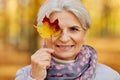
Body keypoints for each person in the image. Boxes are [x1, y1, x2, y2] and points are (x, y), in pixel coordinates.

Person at [15, 0, 120, 80]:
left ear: (85, 33)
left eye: (73, 29)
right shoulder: (25, 75)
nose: (64, 39)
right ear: (43, 32)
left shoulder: (109, 76)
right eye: (56, 30)